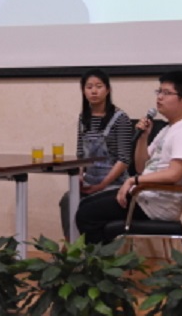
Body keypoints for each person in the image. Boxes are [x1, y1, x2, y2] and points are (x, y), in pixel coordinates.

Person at [75, 70, 182, 244]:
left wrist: (133, 181)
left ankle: (101, 259)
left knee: (87, 214)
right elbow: (141, 167)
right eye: (159, 91)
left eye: (166, 93)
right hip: (145, 195)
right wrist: (143, 137)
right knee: (85, 205)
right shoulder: (169, 129)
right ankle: (104, 256)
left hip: (157, 204)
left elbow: (175, 174)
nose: (159, 97)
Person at [59, 68, 132, 240]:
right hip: (90, 181)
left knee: (86, 205)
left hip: (115, 183)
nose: (94, 91)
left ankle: (91, 250)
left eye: (99, 86)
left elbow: (124, 159)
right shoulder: (83, 118)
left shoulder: (120, 118)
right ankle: (72, 245)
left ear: (108, 90)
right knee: (67, 200)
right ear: (83, 90)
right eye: (89, 87)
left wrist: (101, 185)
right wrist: (79, 176)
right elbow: (80, 154)